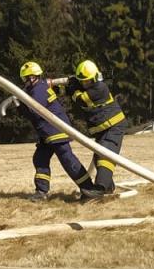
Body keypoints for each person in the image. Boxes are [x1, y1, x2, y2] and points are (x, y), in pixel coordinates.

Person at [18, 61, 102, 202]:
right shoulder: (39, 87)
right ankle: (41, 191)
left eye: (25, 79)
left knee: (67, 159)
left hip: (55, 129)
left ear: (31, 78)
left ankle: (88, 189)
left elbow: (34, 111)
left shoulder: (37, 90)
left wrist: (19, 106)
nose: (24, 82)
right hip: (48, 131)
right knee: (40, 158)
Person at [50, 59, 126, 195]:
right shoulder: (83, 86)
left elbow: (81, 99)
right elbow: (70, 92)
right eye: (83, 81)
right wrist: (58, 89)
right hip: (102, 129)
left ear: (95, 78)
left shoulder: (100, 88)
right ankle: (108, 187)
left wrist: (73, 87)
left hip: (113, 126)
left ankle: (100, 188)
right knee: (99, 158)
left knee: (105, 155)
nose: (86, 83)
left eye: (88, 81)